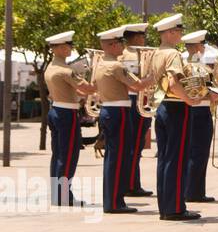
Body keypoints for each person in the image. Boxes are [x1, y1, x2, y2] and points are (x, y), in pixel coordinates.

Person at [93, 27, 149, 214]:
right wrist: (156, 75)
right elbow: (138, 85)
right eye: (119, 43)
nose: (122, 47)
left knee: (112, 157)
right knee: (119, 158)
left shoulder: (100, 63)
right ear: (112, 45)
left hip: (109, 110)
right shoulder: (116, 66)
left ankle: (112, 199)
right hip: (119, 112)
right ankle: (115, 202)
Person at [148, 13, 196, 221]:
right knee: (177, 158)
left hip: (163, 107)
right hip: (176, 107)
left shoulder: (156, 53)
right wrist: (189, 100)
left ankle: (166, 206)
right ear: (169, 33)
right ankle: (175, 207)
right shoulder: (173, 54)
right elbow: (174, 83)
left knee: (166, 158)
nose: (180, 35)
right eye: (177, 31)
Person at [44, 32, 93, 206]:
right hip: (66, 114)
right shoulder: (66, 70)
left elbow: (73, 90)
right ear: (58, 48)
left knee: (58, 154)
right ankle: (63, 195)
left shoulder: (51, 68)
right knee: (68, 155)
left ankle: (58, 194)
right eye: (67, 46)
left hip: (57, 110)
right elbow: (88, 89)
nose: (69, 49)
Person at [181, 30, 218, 204]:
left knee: (188, 151)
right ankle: (195, 192)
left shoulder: (181, 63)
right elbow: (212, 95)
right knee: (199, 152)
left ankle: (187, 189)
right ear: (198, 47)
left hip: (184, 110)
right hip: (201, 110)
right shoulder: (202, 69)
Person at [121, 22, 153, 197]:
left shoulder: (128, 54)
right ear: (136, 37)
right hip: (135, 100)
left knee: (134, 144)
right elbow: (134, 82)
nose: (144, 39)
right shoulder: (132, 56)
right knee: (135, 144)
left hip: (134, 99)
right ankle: (131, 184)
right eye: (142, 36)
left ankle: (132, 182)